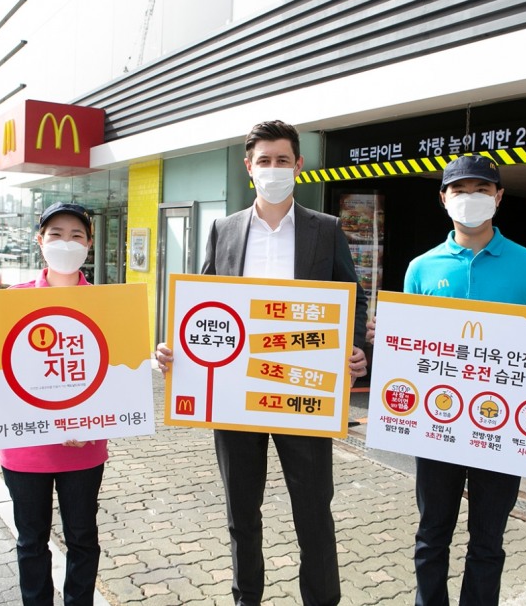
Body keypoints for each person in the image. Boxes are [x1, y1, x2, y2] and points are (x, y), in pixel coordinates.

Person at [366, 154, 526, 606]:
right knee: (432, 534)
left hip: (501, 428)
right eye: (459, 190)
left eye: (482, 190)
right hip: (437, 425)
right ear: (443, 199)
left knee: (487, 541)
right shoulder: (422, 267)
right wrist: (388, 338)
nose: (470, 199)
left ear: (499, 197)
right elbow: (411, 350)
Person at [156, 120, 368, 606]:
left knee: (314, 511)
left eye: (283, 160)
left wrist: (357, 348)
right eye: (264, 160)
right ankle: (245, 598)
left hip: (303, 393)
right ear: (248, 168)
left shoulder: (326, 228)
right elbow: (204, 304)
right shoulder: (224, 229)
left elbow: (351, 296)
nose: (274, 169)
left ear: (299, 164)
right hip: (234, 399)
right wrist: (177, 350)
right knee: (241, 513)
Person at [0, 202, 107, 606]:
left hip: (84, 449)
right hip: (26, 449)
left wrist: (90, 424)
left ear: (89, 243)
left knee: (83, 539)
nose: (65, 243)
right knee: (32, 540)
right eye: (55, 234)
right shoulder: (10, 301)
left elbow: (118, 376)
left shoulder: (107, 304)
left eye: (75, 235)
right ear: (39, 241)